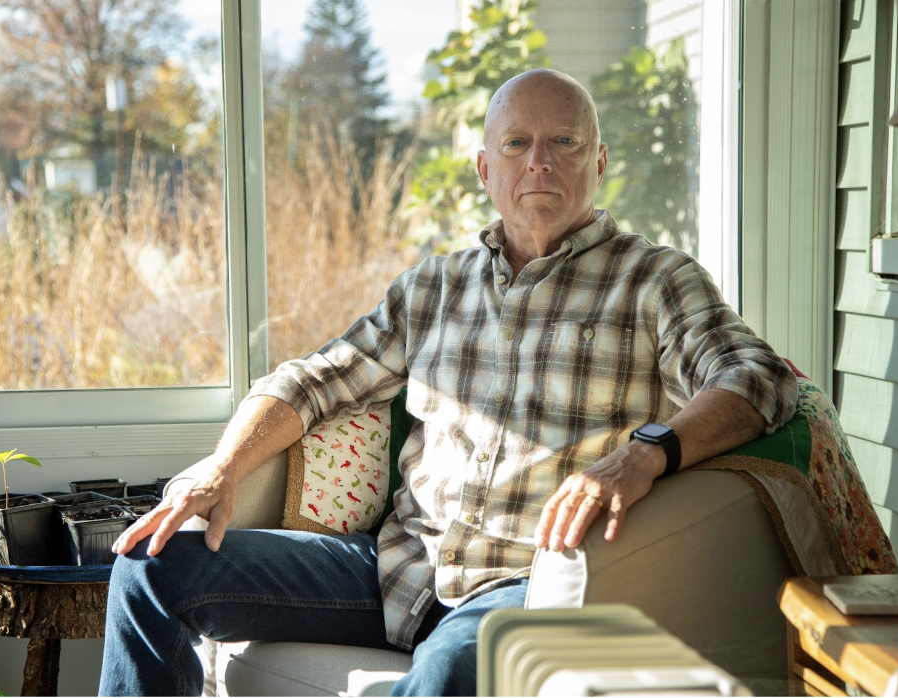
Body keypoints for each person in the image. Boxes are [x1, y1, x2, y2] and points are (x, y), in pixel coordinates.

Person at [98, 68, 798, 697]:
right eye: (518, 144)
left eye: (565, 143)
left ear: (602, 161)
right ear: (484, 167)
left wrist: (644, 452)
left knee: (440, 676)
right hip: (398, 570)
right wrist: (220, 470)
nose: (540, 163)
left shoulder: (654, 280)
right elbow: (314, 382)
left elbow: (757, 376)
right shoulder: (433, 286)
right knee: (149, 568)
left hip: (527, 585)